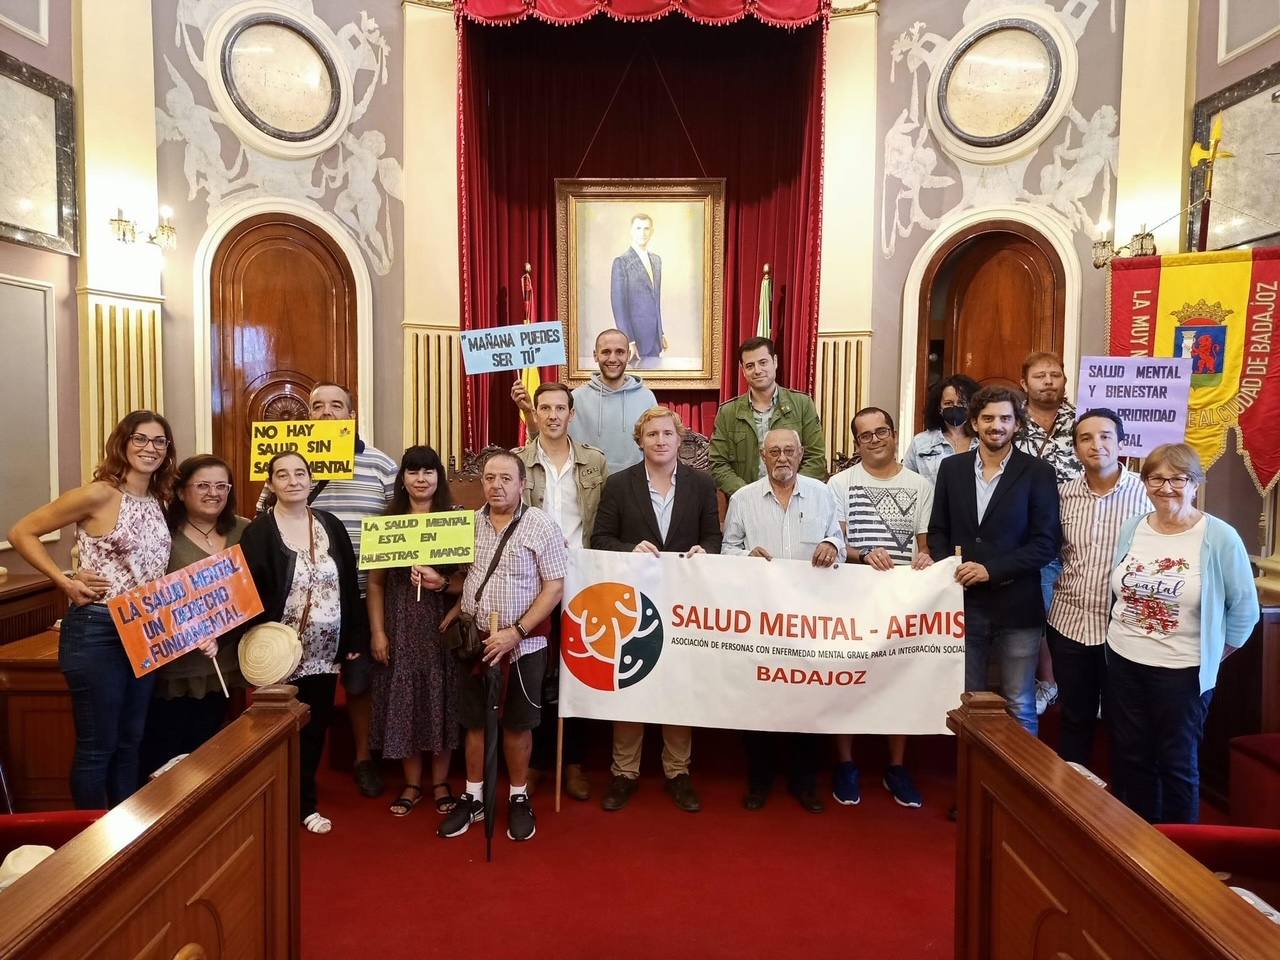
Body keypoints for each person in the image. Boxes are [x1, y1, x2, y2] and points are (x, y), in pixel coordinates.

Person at [8, 411, 177, 809]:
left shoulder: (159, 499)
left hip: (145, 629)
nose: (149, 449)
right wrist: (64, 579)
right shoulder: (100, 493)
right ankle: (89, 842)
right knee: (98, 744)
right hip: (98, 626)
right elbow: (22, 532)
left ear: (168, 451)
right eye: (140, 439)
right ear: (122, 442)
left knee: (131, 738)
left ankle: (123, 833)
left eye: (159, 442)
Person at [1106, 443, 1259, 824]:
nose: (1167, 487)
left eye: (1179, 478)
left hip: (1182, 673)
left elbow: (1245, 611)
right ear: (1145, 483)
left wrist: (1211, 657)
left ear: (1195, 484)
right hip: (1125, 660)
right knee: (1132, 756)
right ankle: (1137, 843)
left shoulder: (1219, 536)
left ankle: (1180, 858)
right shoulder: (1134, 527)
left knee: (1176, 764)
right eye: (1156, 478)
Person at [258, 382, 396, 799]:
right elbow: (263, 520)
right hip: (296, 598)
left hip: (359, 595)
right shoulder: (287, 467)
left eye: (337, 406)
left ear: (351, 415)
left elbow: (397, 524)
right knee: (291, 682)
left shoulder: (380, 465)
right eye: (317, 406)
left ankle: (362, 758)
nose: (327, 413)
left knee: (358, 684)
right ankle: (288, 767)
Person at [592, 407, 722, 813]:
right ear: (640, 440)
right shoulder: (618, 485)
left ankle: (678, 772)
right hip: (633, 603)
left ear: (679, 439)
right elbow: (600, 538)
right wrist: (629, 549)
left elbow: (714, 539)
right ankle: (624, 772)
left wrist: (706, 552)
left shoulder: (702, 485)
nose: (661, 440)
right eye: (652, 434)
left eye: (667, 433)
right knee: (632, 679)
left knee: (677, 683)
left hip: (684, 602)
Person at [438, 451, 568, 843]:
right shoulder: (469, 524)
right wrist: (440, 585)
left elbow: (555, 586)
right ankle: (474, 796)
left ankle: (517, 797)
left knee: (517, 725)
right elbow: (466, 577)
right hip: (477, 640)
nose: (496, 486)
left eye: (505, 479)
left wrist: (517, 630)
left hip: (523, 643)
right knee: (475, 723)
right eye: (490, 478)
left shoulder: (540, 525)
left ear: (521, 484)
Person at [240, 452, 367, 834]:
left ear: (311, 481)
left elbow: (349, 582)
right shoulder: (259, 531)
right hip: (278, 649)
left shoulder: (330, 524)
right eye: (283, 474)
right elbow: (248, 592)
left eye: (300, 473)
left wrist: (352, 638)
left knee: (315, 728)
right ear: (272, 483)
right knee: (275, 730)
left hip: (325, 650)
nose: (293, 480)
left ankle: (304, 803)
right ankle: (273, 800)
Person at [927, 385, 1059, 735]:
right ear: (974, 422)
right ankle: (973, 785)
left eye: (1004, 418)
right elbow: (938, 531)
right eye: (987, 418)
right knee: (969, 701)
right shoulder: (951, 469)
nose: (995, 425)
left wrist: (990, 571)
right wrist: (949, 569)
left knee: (1019, 701)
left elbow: (1046, 544)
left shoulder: (1038, 473)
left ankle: (1020, 788)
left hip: (1018, 606)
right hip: (964, 604)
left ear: (1017, 424)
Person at [722, 428, 841, 814]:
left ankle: (805, 782)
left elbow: (838, 537)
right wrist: (745, 558)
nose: (782, 458)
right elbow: (728, 549)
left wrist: (831, 545)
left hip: (811, 618)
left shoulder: (824, 495)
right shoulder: (742, 499)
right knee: (759, 700)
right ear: (762, 454)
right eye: (774, 452)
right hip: (761, 618)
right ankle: (760, 780)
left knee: (807, 700)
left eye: (789, 450)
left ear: (801, 453)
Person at [827, 408, 933, 809]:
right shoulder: (839, 484)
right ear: (857, 444)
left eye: (881, 432)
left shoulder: (920, 485)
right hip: (851, 594)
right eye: (865, 435)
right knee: (846, 678)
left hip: (902, 600)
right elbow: (836, 541)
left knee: (899, 680)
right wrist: (864, 553)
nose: (875, 440)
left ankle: (896, 767)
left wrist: (925, 557)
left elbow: (925, 544)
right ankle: (846, 763)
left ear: (893, 434)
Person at [515, 381, 607, 802]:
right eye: (545, 409)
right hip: (531, 582)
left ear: (572, 414)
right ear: (534, 415)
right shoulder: (518, 462)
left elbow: (603, 523)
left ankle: (573, 763)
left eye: (560, 409)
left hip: (581, 578)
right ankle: (535, 764)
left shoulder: (594, 463)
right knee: (537, 672)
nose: (552, 416)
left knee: (579, 672)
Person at [366, 446, 466, 818]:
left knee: (441, 699)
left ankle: (440, 782)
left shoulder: (454, 520)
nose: (421, 478)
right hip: (400, 623)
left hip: (442, 625)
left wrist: (443, 584)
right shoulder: (387, 521)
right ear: (402, 478)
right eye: (413, 471)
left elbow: (469, 580)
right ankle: (411, 783)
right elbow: (375, 584)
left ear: (438, 477)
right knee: (405, 700)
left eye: (428, 471)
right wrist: (378, 632)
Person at [1047, 410, 1150, 767]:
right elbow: (1050, 552)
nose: (1097, 445)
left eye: (1105, 436)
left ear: (1120, 442)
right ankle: (1070, 801)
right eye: (1086, 438)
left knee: (1126, 722)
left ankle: (1122, 813)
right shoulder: (1062, 495)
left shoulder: (1146, 493)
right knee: (1075, 716)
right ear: (1075, 448)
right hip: (1069, 621)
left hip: (1125, 627)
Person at [139, 455, 248, 783]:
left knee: (211, 753)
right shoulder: (161, 533)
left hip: (224, 664)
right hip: (174, 666)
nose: (213, 493)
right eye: (202, 485)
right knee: (165, 755)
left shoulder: (245, 530)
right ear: (182, 491)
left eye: (221, 486)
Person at [1016, 352, 1083, 717]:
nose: (1048, 381)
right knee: (1039, 611)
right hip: (1031, 536)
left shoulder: (1082, 423)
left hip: (1081, 532)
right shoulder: (1010, 421)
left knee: (1077, 611)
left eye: (1055, 374)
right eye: (1040, 375)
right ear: (1025, 383)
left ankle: (1079, 685)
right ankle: (1047, 683)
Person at [512, 328, 656, 476]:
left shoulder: (646, 398)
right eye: (606, 352)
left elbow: (657, 449)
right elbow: (545, 444)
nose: (612, 358)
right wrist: (528, 412)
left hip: (632, 489)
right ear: (595, 355)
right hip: (587, 489)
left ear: (628, 355)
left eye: (619, 352)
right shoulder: (576, 398)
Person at [709, 336, 827, 497]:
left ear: (775, 362)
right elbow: (718, 464)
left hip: (797, 500)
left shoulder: (802, 404)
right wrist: (748, 495)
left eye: (763, 362)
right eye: (750, 366)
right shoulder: (728, 412)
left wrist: (791, 491)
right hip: (747, 504)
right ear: (743, 370)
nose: (757, 370)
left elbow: (816, 459)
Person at [904, 374, 980, 486]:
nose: (955, 407)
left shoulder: (983, 441)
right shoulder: (921, 442)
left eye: (961, 403)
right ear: (939, 408)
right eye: (948, 403)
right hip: (932, 503)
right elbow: (907, 482)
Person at [610, 213, 665, 367]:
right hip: (635, 341)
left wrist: (660, 333)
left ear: (651, 232)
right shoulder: (621, 262)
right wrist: (629, 341)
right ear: (631, 231)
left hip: (655, 340)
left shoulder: (656, 260)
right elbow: (619, 306)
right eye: (638, 228)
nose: (642, 232)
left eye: (646, 228)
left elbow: (655, 302)